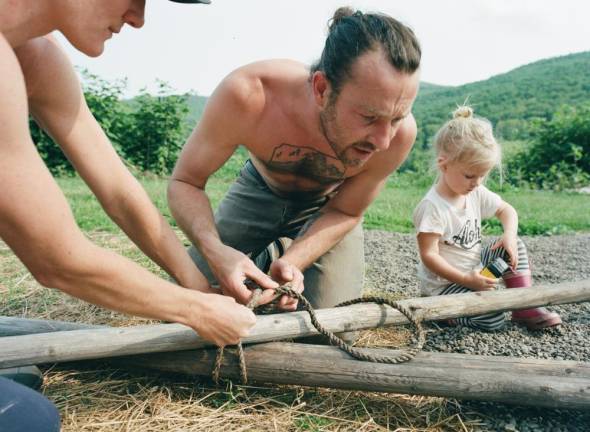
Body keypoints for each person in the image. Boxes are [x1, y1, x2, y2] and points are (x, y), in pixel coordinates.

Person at [1, 0, 254, 430]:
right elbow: (57, 260)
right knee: (30, 419)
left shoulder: (34, 54)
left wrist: (200, 287)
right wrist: (195, 310)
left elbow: (119, 192)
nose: (138, 19)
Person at [168, 7, 421, 319]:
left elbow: (347, 210)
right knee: (186, 305)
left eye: (396, 118)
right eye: (369, 117)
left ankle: (276, 257)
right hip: (258, 190)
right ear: (321, 89)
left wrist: (293, 263)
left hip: (328, 207)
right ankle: (261, 259)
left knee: (333, 323)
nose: (383, 141)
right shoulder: (248, 94)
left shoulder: (400, 137)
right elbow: (185, 182)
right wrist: (215, 251)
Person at [412, 106, 562, 331]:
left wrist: (509, 235)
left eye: (483, 174)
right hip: (445, 286)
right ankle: (442, 314)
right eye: (470, 175)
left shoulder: (474, 192)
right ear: (444, 164)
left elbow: (507, 210)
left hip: (477, 271)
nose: (477, 182)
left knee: (515, 245)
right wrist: (466, 281)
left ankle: (524, 306)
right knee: (493, 318)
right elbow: (429, 256)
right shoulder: (433, 207)